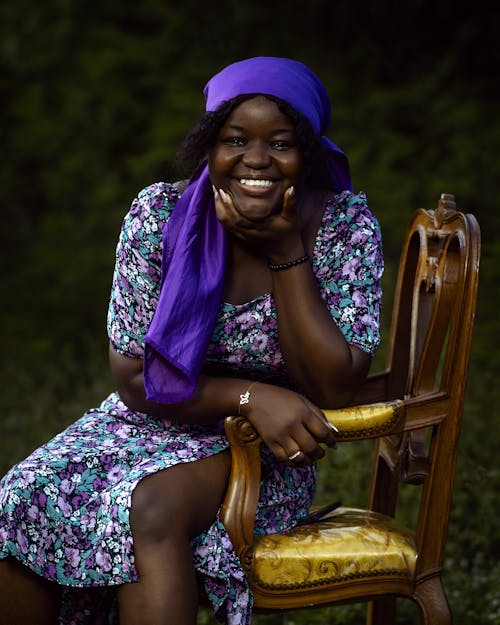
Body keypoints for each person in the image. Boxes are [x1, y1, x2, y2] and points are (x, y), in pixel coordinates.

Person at [0, 56, 383, 625]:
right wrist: (251, 392)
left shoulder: (342, 225)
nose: (256, 160)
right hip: (147, 420)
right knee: (21, 494)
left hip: (262, 449)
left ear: (308, 151)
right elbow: (133, 377)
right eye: (235, 139)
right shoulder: (159, 214)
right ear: (210, 146)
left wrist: (287, 256)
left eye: (280, 142)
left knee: (147, 507)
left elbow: (335, 384)